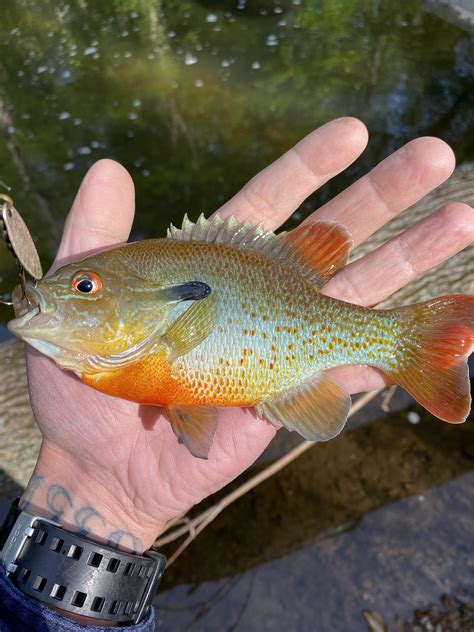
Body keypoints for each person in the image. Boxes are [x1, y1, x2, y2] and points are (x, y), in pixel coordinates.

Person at [0, 117, 473, 630]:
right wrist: (105, 506)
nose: (70, 294)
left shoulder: (140, 347)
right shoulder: (113, 360)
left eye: (86, 287)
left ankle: (402, 340)